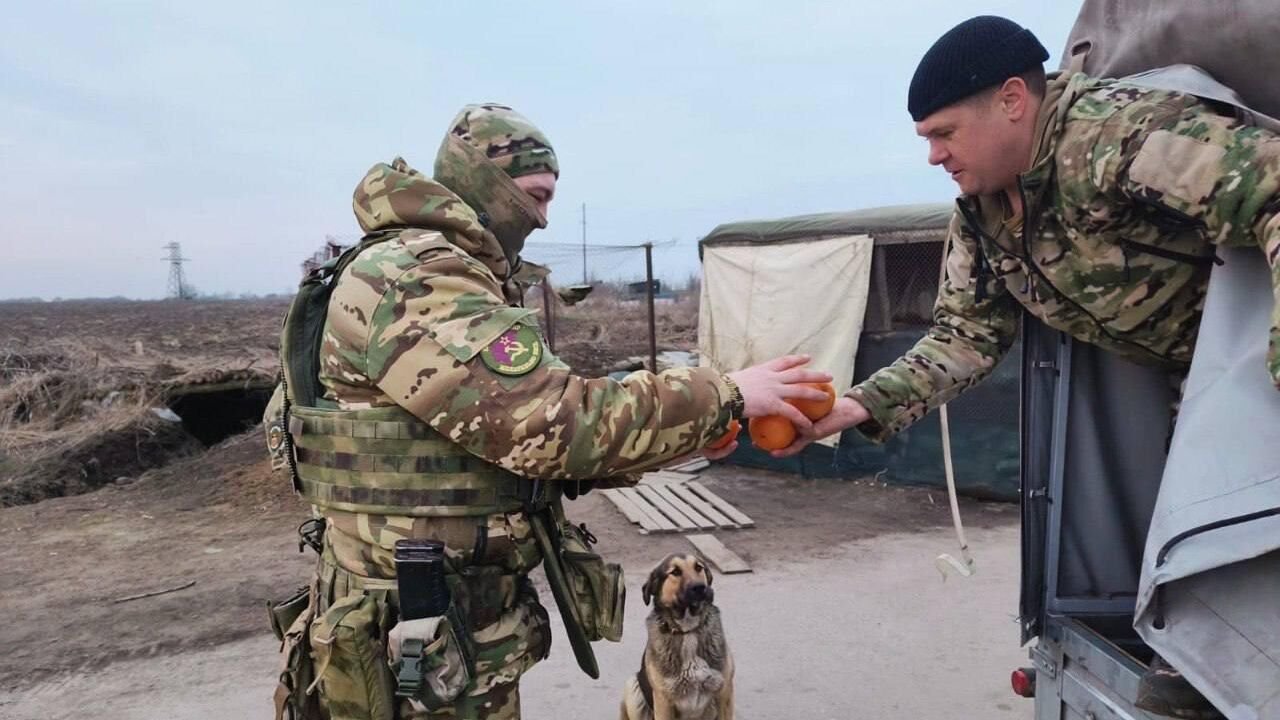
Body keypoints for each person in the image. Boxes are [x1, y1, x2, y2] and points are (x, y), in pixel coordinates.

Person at [779, 15, 1280, 719]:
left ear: (1013, 100)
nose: (933, 155)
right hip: (1184, 397)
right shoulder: (983, 214)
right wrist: (857, 407)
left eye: (943, 133)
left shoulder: (1123, 139)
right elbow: (966, 336)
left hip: (1251, 374)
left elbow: (1274, 186)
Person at [270, 102, 829, 720]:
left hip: (431, 616)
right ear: (485, 181)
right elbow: (547, 426)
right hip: (415, 634)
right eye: (536, 194)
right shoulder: (419, 277)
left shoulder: (429, 268)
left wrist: (686, 438)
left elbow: (495, 447)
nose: (542, 216)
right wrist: (723, 393)